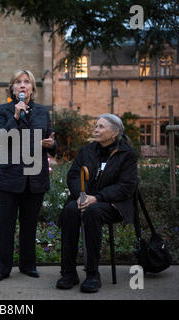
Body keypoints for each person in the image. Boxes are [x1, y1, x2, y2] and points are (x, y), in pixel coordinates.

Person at [56, 114, 138, 293]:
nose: (96, 129)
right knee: (70, 211)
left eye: (101, 127)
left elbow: (127, 186)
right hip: (84, 198)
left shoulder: (127, 154)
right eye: (96, 126)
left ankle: (93, 275)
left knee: (93, 213)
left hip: (112, 204)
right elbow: (74, 175)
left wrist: (98, 197)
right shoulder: (87, 150)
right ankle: (68, 272)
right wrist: (81, 195)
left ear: (115, 132)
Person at [0, 70, 57, 282]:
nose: (22, 85)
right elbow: (1, 138)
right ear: (12, 89)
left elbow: (50, 140)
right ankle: (1, 268)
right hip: (9, 176)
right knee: (5, 226)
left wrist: (52, 144)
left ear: (32, 89)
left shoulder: (42, 112)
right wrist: (16, 115)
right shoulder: (3, 110)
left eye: (26, 82)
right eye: (18, 82)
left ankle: (28, 265)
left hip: (35, 177)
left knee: (30, 225)